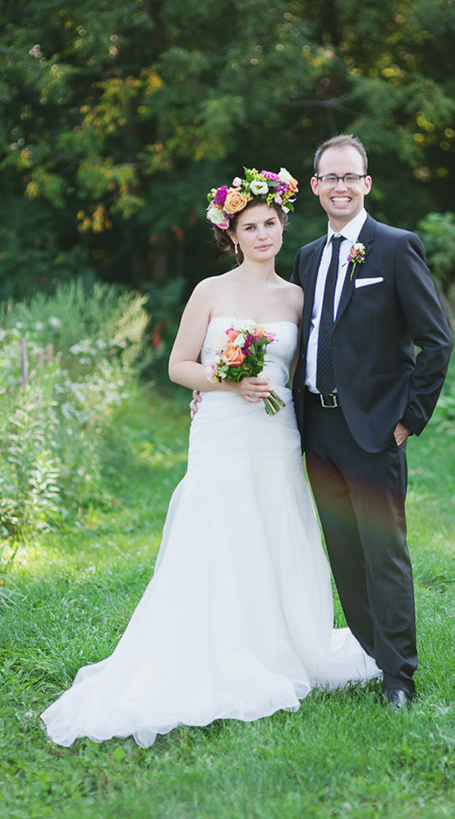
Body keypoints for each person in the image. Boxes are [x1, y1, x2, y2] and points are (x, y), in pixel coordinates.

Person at [41, 167, 381, 749]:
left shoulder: (297, 296)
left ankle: (281, 642)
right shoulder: (210, 290)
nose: (264, 234)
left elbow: (301, 375)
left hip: (277, 435)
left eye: (271, 223)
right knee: (220, 528)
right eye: (251, 226)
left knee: (275, 527)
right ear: (234, 234)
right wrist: (225, 382)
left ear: (282, 225)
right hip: (224, 427)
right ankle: (217, 646)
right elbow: (178, 366)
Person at [291, 134, 453, 710]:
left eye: (349, 177)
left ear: (366, 183)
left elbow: (436, 342)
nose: (339, 186)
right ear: (315, 187)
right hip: (318, 430)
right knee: (345, 552)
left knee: (383, 552)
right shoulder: (307, 256)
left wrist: (410, 418)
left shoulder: (394, 247)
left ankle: (400, 678)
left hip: (375, 429)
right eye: (328, 177)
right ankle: (370, 650)